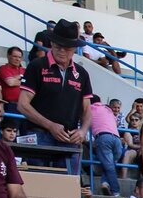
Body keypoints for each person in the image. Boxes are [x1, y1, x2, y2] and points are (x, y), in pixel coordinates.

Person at [17, 19, 93, 176]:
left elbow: (87, 109)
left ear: (74, 49)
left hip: (69, 138)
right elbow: (23, 104)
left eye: (67, 48)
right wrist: (50, 125)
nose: (62, 51)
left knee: (68, 187)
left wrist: (83, 130)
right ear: (51, 44)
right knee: (38, 186)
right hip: (39, 135)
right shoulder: (37, 66)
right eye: (58, 46)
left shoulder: (82, 74)